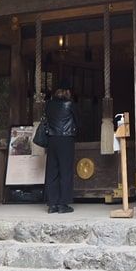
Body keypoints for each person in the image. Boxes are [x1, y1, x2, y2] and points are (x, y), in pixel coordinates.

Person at [44, 79, 77, 213]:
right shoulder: (70, 105)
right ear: (68, 92)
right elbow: (77, 120)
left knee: (52, 171)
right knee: (65, 171)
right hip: (66, 139)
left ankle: (52, 204)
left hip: (52, 139)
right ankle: (63, 204)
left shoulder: (49, 105)